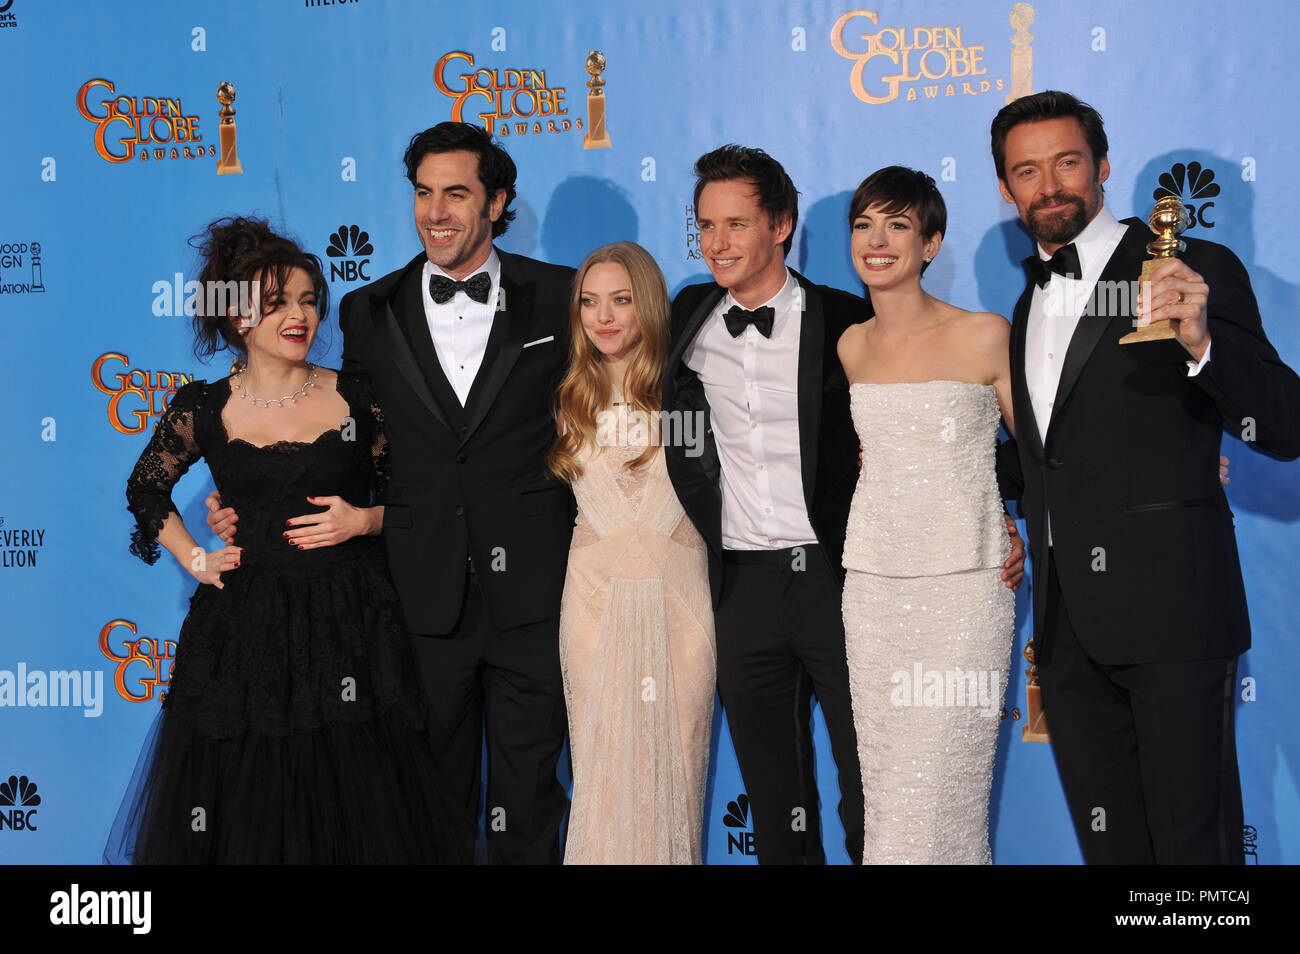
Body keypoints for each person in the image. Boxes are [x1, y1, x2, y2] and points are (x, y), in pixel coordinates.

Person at [209, 123, 575, 864]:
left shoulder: (563, 296)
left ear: (498, 202)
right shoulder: (368, 311)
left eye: (457, 193)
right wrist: (260, 500)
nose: (435, 211)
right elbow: (348, 440)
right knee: (424, 800)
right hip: (414, 595)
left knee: (530, 798)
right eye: (423, 192)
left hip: (537, 594)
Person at [662, 145, 1028, 864]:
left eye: (737, 223)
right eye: (706, 226)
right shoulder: (687, 319)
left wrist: (1004, 514)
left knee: (878, 785)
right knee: (775, 794)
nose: (718, 242)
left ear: (782, 226)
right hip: (738, 583)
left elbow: (956, 431)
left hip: (841, 575)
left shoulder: (848, 325)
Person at [991, 90, 1300, 864]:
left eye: (1066, 162)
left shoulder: (1190, 268)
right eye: (1026, 171)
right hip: (1067, 634)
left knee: (1196, 859)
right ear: (1005, 189)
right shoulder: (1028, 303)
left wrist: (1201, 346)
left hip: (1174, 618)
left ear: (1101, 167)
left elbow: (1284, 424)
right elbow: (1051, 454)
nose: (1048, 185)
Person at [106, 217, 458, 864]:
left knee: (359, 815)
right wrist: (196, 556)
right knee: (249, 816)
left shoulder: (356, 396)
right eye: (275, 304)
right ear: (238, 318)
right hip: (244, 636)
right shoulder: (203, 408)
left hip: (352, 625)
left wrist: (364, 521)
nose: (298, 315)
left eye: (305, 299)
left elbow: (417, 499)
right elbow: (145, 489)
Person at [836, 167, 1017, 864]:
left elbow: (1034, 457)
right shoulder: (852, 346)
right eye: (863, 225)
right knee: (887, 791)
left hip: (966, 586)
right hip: (874, 587)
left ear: (932, 242)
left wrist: (1011, 524)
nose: (877, 241)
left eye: (898, 225)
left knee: (943, 788)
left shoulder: (983, 335)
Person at [549, 242, 715, 864]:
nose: (605, 317)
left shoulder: (692, 388)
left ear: (648, 303)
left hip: (681, 599)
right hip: (591, 600)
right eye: (590, 302)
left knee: (678, 763)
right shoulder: (566, 393)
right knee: (602, 768)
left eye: (622, 300)